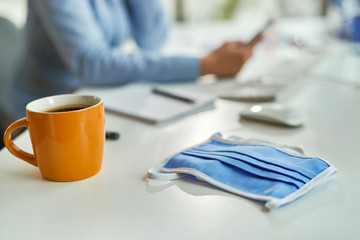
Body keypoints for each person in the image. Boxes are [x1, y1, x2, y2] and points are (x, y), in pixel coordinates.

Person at [0, 0, 258, 147]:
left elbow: (152, 39)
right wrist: (206, 65)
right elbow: (93, 64)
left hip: (97, 103)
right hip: (44, 115)